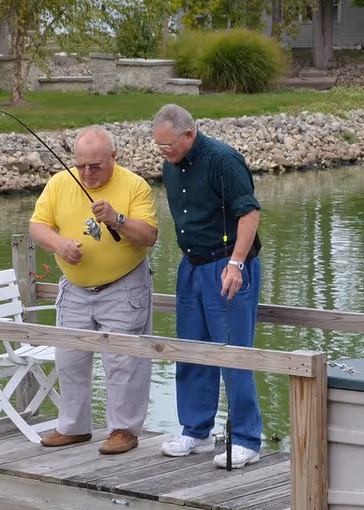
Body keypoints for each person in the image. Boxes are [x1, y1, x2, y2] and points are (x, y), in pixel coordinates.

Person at [28, 126, 160, 455]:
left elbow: (148, 236)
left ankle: (123, 430)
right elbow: (37, 225)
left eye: (95, 166)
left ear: (114, 157)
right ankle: (73, 427)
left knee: (123, 361)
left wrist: (117, 219)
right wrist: (58, 245)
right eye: (81, 165)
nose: (87, 173)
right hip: (74, 288)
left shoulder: (135, 186)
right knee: (69, 357)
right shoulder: (61, 183)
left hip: (124, 285)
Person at [151, 103, 264, 469]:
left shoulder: (222, 160)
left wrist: (236, 264)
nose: (163, 153)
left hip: (227, 265)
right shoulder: (171, 165)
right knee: (191, 351)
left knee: (233, 354)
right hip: (192, 266)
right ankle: (197, 431)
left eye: (168, 145)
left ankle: (247, 439)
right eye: (158, 146)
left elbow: (249, 213)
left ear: (189, 134)